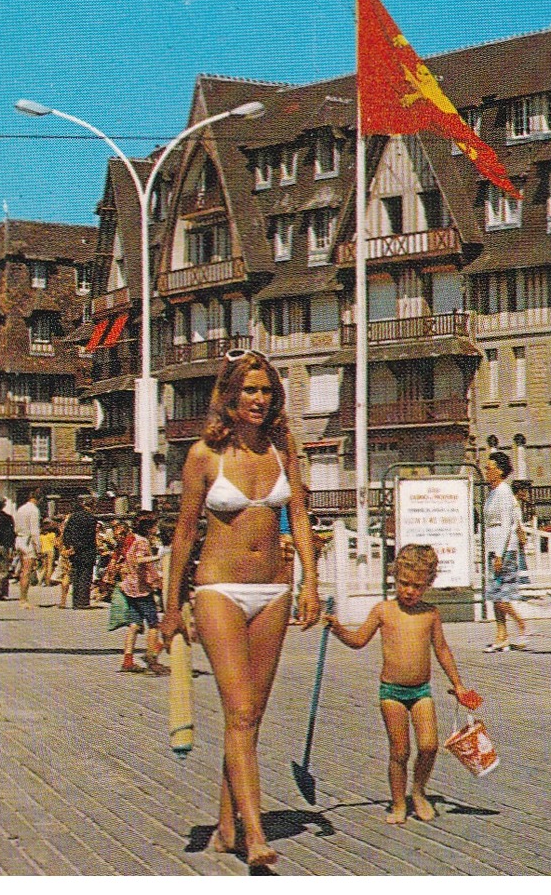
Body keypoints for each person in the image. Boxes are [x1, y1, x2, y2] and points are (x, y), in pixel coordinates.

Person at [158, 350, 320, 870]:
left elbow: (298, 516)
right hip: (218, 590)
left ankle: (226, 826)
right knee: (241, 713)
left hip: (274, 590)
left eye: (266, 391)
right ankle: (255, 837)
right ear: (229, 396)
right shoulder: (205, 454)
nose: (258, 400)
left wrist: (310, 585)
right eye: (249, 390)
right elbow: (184, 533)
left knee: (250, 719)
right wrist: (170, 605)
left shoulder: (281, 451)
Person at [326, 544, 477, 824]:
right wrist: (337, 629)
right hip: (392, 693)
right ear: (395, 577)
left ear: (428, 585)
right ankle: (398, 803)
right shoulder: (383, 611)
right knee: (399, 751)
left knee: (430, 745)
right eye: (405, 583)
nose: (410, 591)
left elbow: (442, 649)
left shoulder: (430, 614)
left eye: (418, 586)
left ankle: (418, 792)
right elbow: (358, 641)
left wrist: (458, 685)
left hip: (421, 691)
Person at [481, 451, 529, 653]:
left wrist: (499, 553)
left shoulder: (504, 492)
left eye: (489, 468)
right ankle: (501, 635)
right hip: (493, 548)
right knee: (495, 594)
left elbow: (506, 525)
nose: (486, 471)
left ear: (500, 471)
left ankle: (522, 624)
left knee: (500, 595)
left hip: (504, 549)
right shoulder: (493, 492)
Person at [116, 513, 169, 675]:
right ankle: (152, 658)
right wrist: (157, 557)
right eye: (154, 526)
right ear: (147, 527)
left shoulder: (131, 538)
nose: (155, 529)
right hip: (141, 588)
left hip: (129, 587)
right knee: (154, 624)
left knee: (134, 625)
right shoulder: (142, 541)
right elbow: (138, 560)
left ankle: (128, 660)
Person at [61, 496, 100, 610]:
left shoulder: (73, 517)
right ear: (92, 506)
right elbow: (89, 537)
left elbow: (66, 533)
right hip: (87, 550)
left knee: (76, 575)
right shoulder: (91, 518)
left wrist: (69, 547)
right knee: (85, 576)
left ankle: (75, 601)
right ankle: (82, 601)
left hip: (74, 551)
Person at [14, 488, 43, 606]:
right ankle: (23, 599)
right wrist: (39, 548)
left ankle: (23, 597)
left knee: (22, 571)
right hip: (28, 542)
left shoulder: (20, 509)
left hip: (19, 540)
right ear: (39, 499)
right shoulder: (34, 511)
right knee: (27, 571)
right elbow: (34, 531)